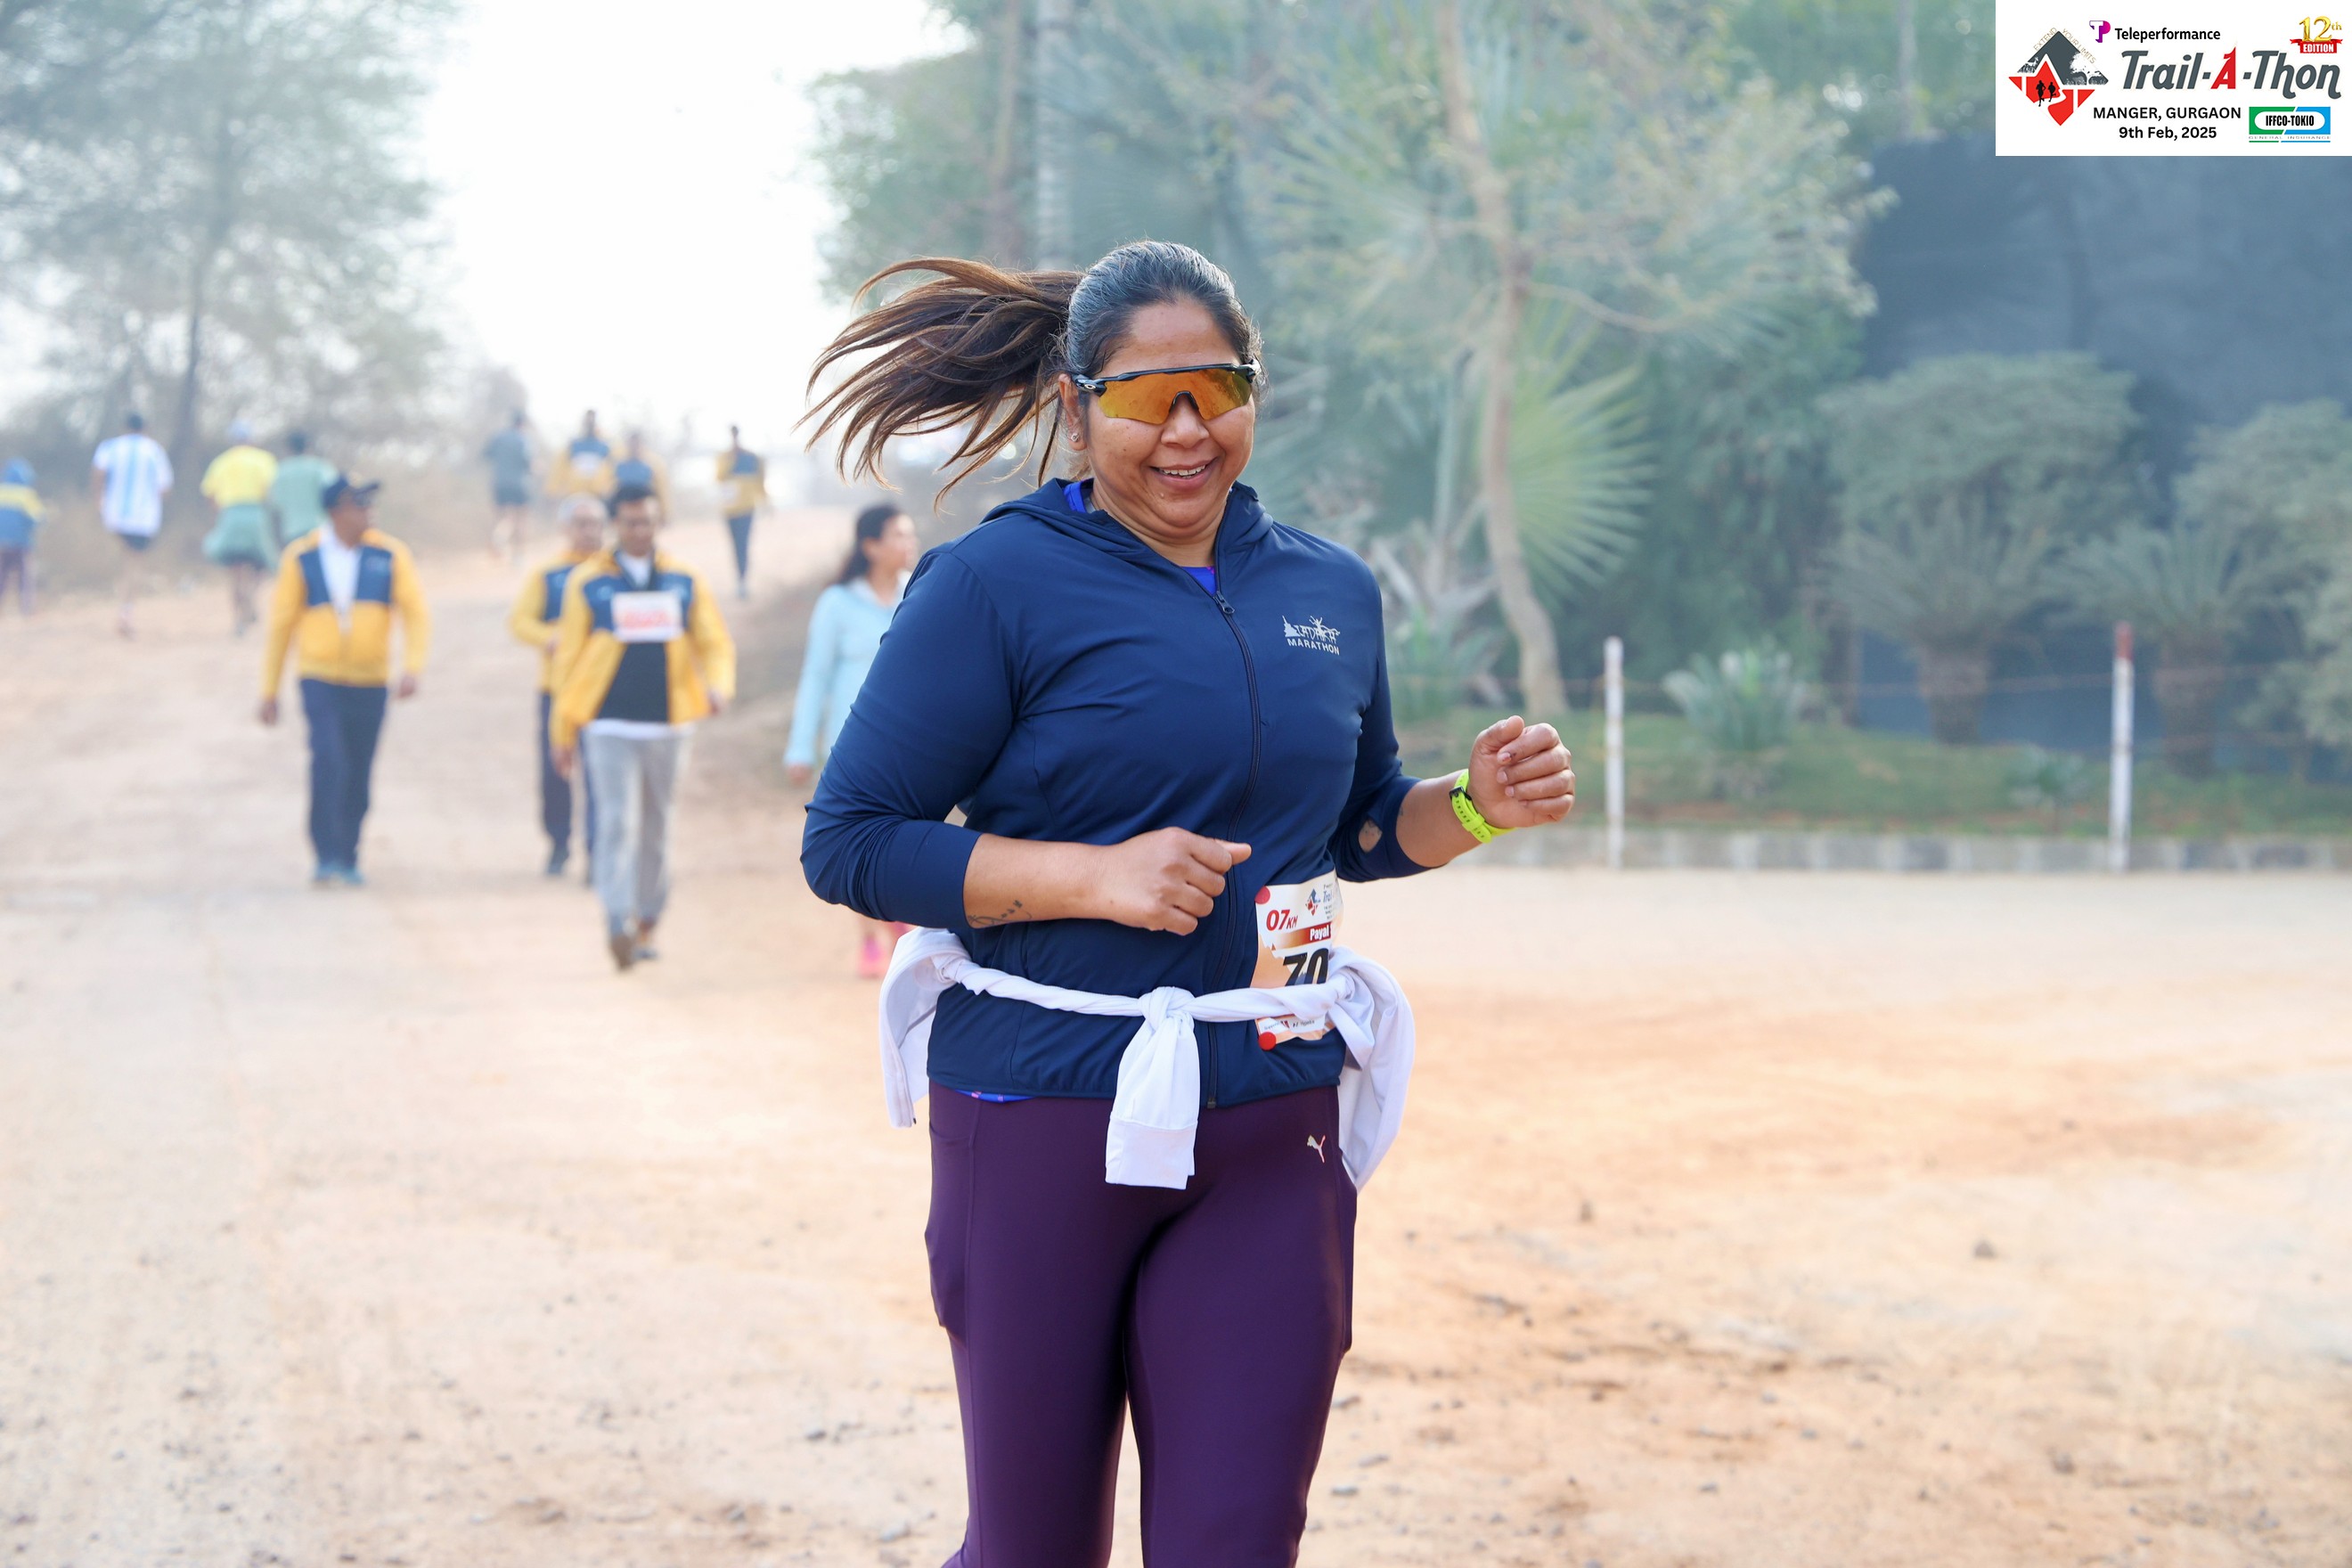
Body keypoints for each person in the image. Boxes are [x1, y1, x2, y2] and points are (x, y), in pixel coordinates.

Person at [797, 242, 1575, 1565]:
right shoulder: (994, 585)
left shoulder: (1328, 589)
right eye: (1146, 398)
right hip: (1043, 1113)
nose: (1186, 429)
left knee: (1237, 1541)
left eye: (1216, 390)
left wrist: (1477, 802)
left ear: (1253, 391)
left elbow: (1358, 825)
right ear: (1075, 406)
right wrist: (1092, 876)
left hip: (1270, 1115)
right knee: (1036, 1547)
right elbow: (850, 841)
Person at [548, 483, 734, 971]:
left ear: (659, 522)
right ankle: (616, 919)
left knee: (656, 827)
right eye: (631, 522)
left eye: (648, 520)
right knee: (616, 823)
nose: (640, 529)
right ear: (616, 524)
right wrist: (562, 731)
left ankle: (648, 920)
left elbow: (714, 642)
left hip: (669, 727)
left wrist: (718, 686)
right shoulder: (588, 582)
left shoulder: (684, 579)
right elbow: (567, 660)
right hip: (607, 724)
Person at [257, 477, 432, 886]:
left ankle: (349, 853)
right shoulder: (302, 557)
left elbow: (416, 613)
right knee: (328, 758)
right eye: (360, 505)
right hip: (319, 678)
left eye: (370, 505)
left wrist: (412, 667)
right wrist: (269, 690)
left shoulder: (390, 555)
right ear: (336, 511)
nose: (369, 513)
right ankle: (325, 853)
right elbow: (281, 626)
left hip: (371, 681)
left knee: (358, 768)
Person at [786, 502, 920, 976]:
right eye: (898, 535)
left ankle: (898, 917)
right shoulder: (837, 604)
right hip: (851, 746)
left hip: (913, 743)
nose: (909, 543)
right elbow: (816, 676)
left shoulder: (920, 593)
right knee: (857, 839)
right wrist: (800, 747)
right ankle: (871, 938)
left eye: (910, 534)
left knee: (905, 836)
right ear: (870, 546)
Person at [509, 494, 607, 877]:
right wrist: (549, 638)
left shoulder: (611, 572)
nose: (589, 531)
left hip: (602, 690)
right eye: (581, 524)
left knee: (601, 772)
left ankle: (598, 850)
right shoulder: (548, 574)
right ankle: (558, 843)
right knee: (556, 770)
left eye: (595, 523)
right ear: (566, 529)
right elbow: (520, 621)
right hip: (557, 688)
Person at [90, 412, 174, 638]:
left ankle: (115, 604)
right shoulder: (154, 450)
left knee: (120, 557)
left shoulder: (110, 447)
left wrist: (99, 500)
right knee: (134, 565)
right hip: (143, 519)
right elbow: (165, 488)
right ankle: (125, 613)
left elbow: (98, 474)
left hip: (113, 515)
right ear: (145, 428)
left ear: (124, 427)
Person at [200, 420, 281, 634]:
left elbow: (209, 493)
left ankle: (238, 620)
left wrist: (219, 515)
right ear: (250, 439)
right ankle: (251, 596)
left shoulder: (221, 462)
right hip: (255, 514)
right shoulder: (263, 459)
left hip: (230, 515)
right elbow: (271, 491)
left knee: (234, 571)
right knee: (264, 563)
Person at [715, 425, 768, 598]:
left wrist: (765, 502)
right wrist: (732, 458)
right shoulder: (725, 457)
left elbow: (760, 482)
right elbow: (719, 477)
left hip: (746, 508)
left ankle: (743, 579)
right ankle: (740, 577)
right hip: (729, 509)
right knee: (735, 545)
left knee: (743, 544)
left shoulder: (752, 458)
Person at [482, 409, 536, 561]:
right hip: (519, 484)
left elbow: (486, 455)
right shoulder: (523, 440)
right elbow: (527, 462)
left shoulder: (498, 437)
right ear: (522, 424)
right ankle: (518, 556)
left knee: (502, 517)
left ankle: (498, 537)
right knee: (520, 519)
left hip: (499, 483)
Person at [269, 430, 338, 551]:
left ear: (289, 448)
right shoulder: (319, 467)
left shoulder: (281, 472)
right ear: (308, 446)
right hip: (320, 530)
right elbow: (334, 495)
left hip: (292, 532)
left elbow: (276, 503)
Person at [0, 460, 44, 616]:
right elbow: (37, 518)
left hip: (2, 545)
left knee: (2, 577)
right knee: (25, 578)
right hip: (21, 544)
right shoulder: (26, 495)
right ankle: (27, 610)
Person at [545, 410, 612, 502]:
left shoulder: (604, 447)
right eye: (588, 421)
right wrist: (553, 490)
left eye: (592, 421)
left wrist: (608, 489)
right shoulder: (574, 445)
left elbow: (610, 470)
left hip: (597, 493)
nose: (590, 423)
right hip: (574, 493)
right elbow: (560, 468)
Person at [610, 430, 674, 519]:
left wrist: (664, 512)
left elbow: (661, 490)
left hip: (645, 500)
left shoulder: (653, 464)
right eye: (631, 444)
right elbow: (612, 487)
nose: (634, 447)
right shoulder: (619, 465)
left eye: (637, 444)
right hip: (624, 499)